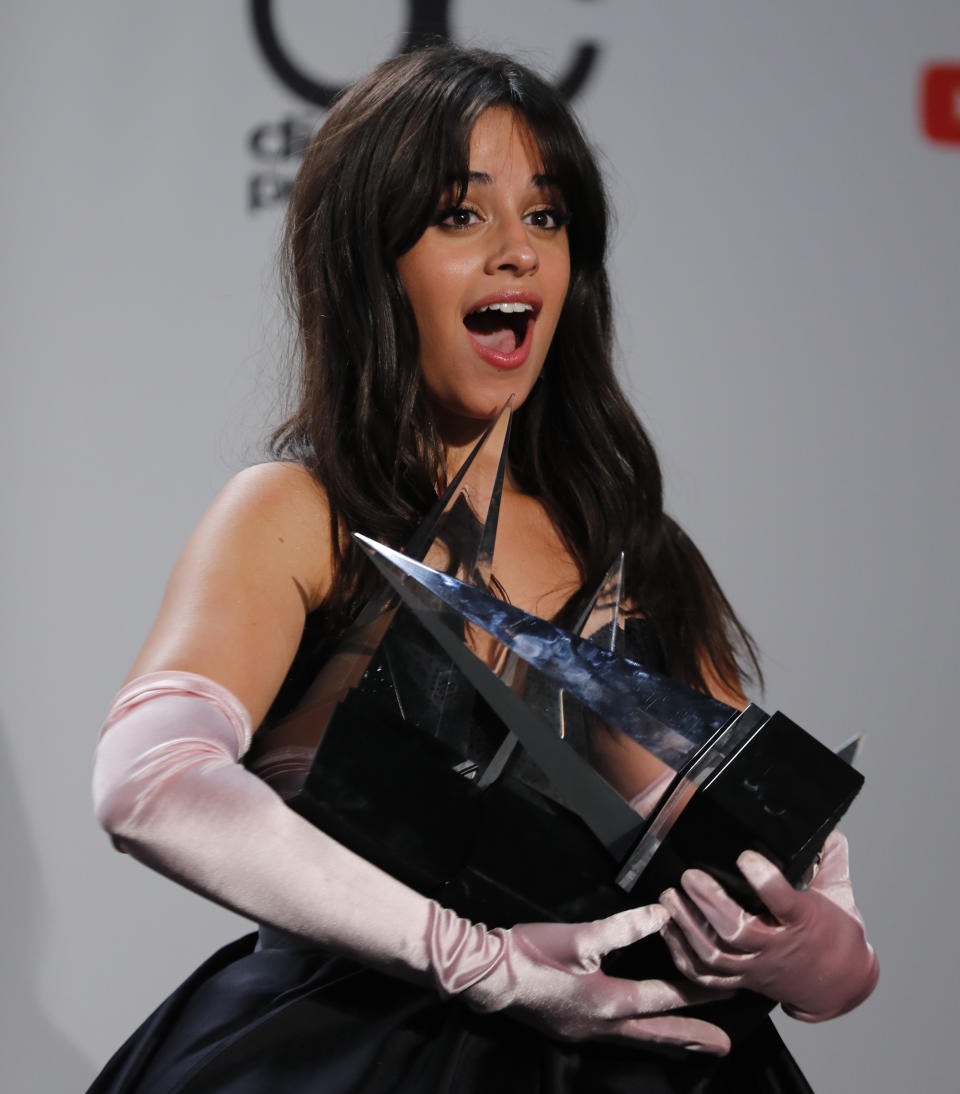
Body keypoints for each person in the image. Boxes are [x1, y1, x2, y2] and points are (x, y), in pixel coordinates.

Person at [88, 46, 877, 1094]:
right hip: (361, 1057)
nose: (517, 253)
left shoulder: (637, 548)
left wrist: (820, 948)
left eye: (545, 218)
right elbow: (149, 782)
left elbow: (770, 852)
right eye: (463, 215)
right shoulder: (296, 512)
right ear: (374, 259)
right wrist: (484, 962)